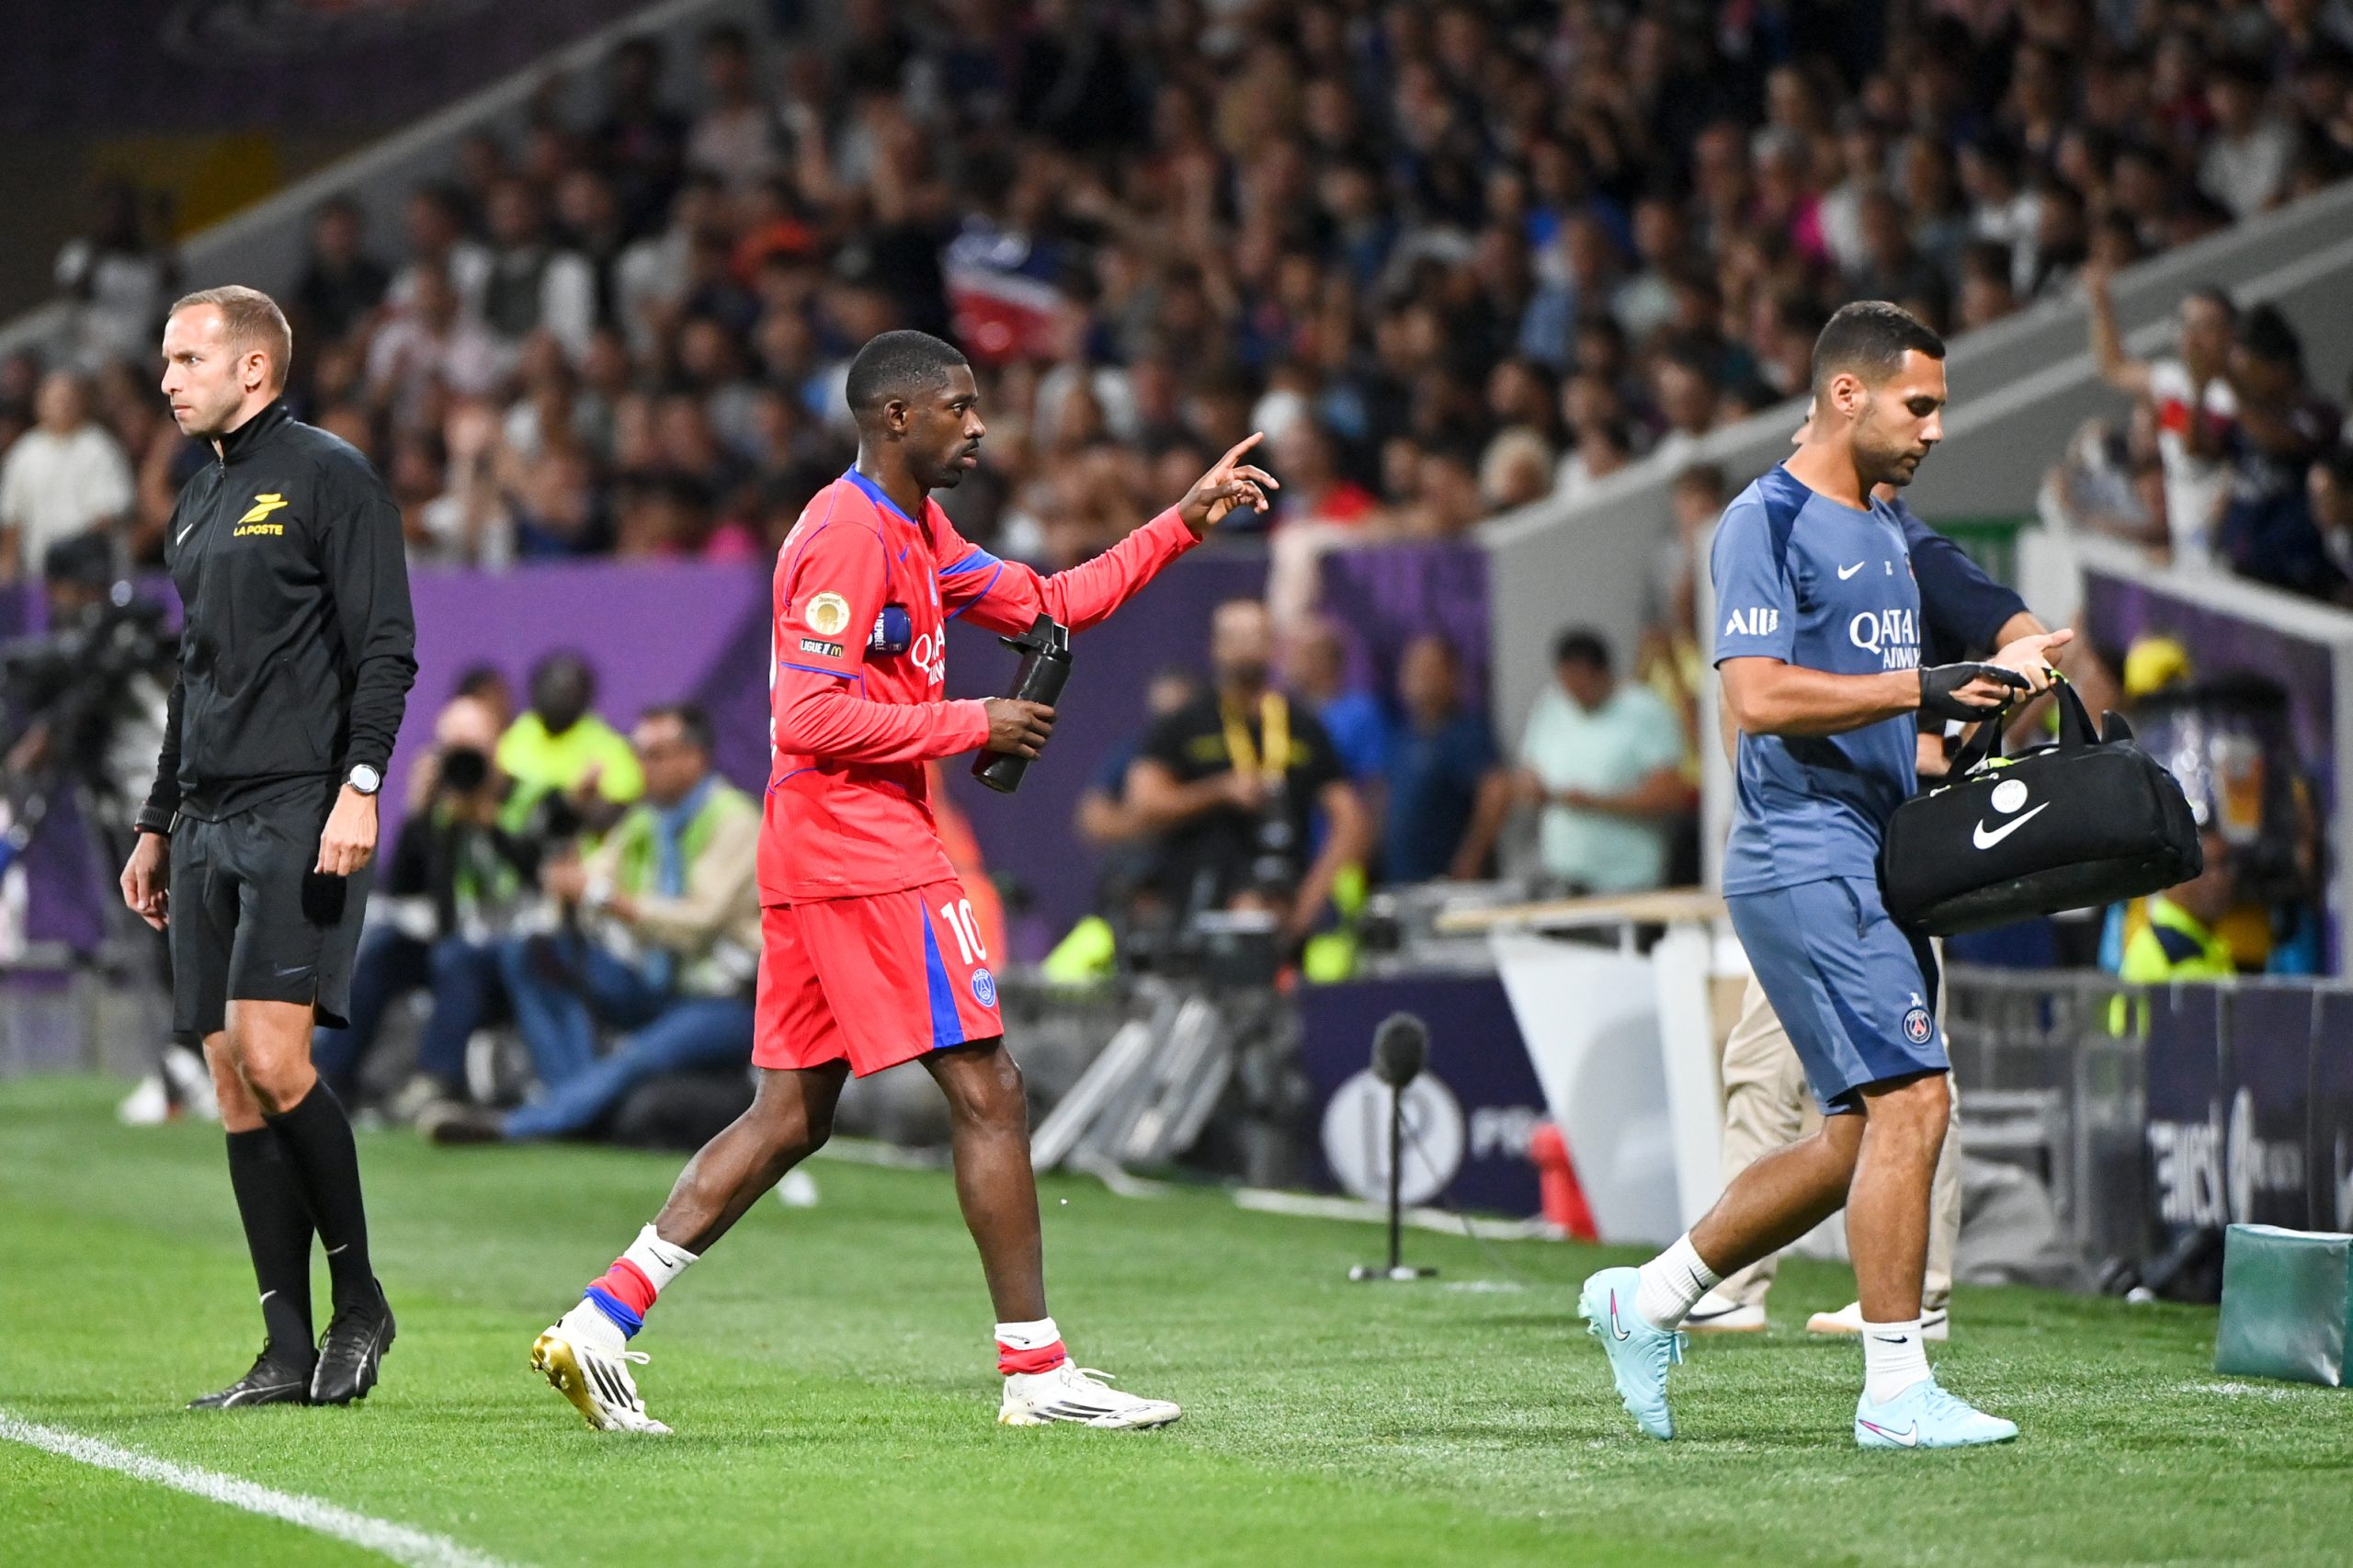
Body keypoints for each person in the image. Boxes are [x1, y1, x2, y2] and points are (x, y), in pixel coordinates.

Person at [526, 329, 1276, 1434]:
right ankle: (1036, 1371)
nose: (978, 425)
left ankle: (600, 1320)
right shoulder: (842, 533)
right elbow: (809, 714)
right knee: (990, 1089)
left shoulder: (918, 529)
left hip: (820, 849)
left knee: (787, 1116)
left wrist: (1181, 522)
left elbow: (1053, 603)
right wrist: (972, 716)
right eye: (960, 407)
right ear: (896, 417)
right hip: (860, 845)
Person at [1580, 301, 2067, 1450]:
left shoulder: (1887, 525)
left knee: (1855, 1129)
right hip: (1802, 854)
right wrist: (1921, 691)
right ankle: (1895, 1391)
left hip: (1874, 852)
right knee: (1915, 1100)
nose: (1936, 427)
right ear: (1846, 394)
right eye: (1920, 403)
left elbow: (1993, 622)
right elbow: (1752, 697)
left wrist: (2016, 666)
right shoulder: (1766, 519)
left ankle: (1643, 1298)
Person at [1689, 412, 2052, 1341]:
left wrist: (1940, 735)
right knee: (1868, 1077)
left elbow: (2029, 642)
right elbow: (1760, 695)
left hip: (1878, 844)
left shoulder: (1903, 542)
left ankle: (1826, 1288)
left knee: (1894, 1080)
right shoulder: (1788, 527)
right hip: (1820, 844)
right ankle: (1718, 1283)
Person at [118, 285, 417, 1409]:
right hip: (204, 818)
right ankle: (285, 1346)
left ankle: (362, 1302)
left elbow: (386, 646)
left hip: (304, 802)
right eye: (165, 358)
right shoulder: (193, 505)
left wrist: (361, 783)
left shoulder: (331, 475)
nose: (167, 379)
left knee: (275, 1055)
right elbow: (196, 684)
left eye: (187, 357)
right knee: (232, 1083)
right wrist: (157, 820)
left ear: (254, 368)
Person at [422, 704, 759, 1144]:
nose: (642, 766)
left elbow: (698, 923)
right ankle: (575, 1101)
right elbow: (590, 877)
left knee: (640, 1057)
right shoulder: (645, 821)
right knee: (529, 950)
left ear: (694, 758)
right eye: (638, 752)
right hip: (651, 985)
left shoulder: (736, 820)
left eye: (655, 754)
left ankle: (518, 1125)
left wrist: (601, 896)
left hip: (722, 1001)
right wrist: (565, 872)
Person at [310, 693, 532, 1115]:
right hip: (453, 947)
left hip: (515, 951)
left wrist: (490, 822)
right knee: (384, 950)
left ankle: (437, 1080)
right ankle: (330, 1075)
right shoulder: (440, 807)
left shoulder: (527, 798)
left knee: (455, 958)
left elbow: (535, 873)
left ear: (497, 745)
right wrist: (417, 812)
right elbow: (402, 885)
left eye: (474, 747)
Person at [1126, 598, 1373, 946]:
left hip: (1282, 907)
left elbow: (1350, 821)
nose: (1246, 648)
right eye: (1235, 637)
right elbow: (1144, 805)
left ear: (1273, 644)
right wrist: (1218, 791)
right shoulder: (1184, 724)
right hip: (1200, 911)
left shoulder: (1302, 725)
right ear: (1215, 646)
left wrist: (1308, 905)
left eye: (1256, 636)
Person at [1514, 629, 1691, 894]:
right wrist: (1533, 790)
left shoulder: (1644, 710)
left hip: (1628, 879)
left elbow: (1671, 794)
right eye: (1566, 683)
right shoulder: (1552, 705)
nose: (1573, 693)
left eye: (1580, 682)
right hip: (1563, 875)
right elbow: (1528, 772)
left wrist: (1596, 802)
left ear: (1600, 673)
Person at [2084, 261, 2236, 566]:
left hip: (2224, 534)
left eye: (2205, 326)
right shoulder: (2173, 380)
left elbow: (2199, 451)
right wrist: (2101, 304)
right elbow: (2113, 367)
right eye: (2186, 325)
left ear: (2230, 333)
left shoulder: (2233, 393)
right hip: (2185, 522)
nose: (2192, 337)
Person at [1379, 633, 1510, 883]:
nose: (1416, 678)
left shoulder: (1465, 734)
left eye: (1427, 669)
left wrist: (1471, 859)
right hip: (1403, 879)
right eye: (1411, 668)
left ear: (1453, 676)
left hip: (1448, 883)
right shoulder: (1404, 736)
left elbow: (1497, 791)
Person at [0, 369, 135, 582]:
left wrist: (69, 552)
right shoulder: (23, 454)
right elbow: (13, 522)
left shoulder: (99, 447)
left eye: (68, 399)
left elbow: (108, 513)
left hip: (94, 575)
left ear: (81, 401)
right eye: (54, 399)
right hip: (41, 578)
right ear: (39, 403)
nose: (62, 406)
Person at [2119, 831, 2237, 983]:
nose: (2218, 881)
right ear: (2172, 876)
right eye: (2202, 868)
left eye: (2225, 865)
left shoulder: (2202, 943)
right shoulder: (2169, 952)